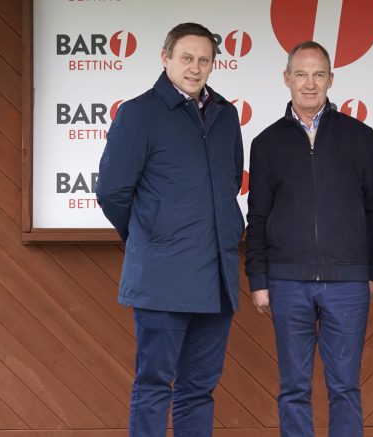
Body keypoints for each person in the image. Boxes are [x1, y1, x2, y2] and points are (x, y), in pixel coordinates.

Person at [95, 22, 244, 437]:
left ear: (214, 63)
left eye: (204, 60)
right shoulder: (140, 113)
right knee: (155, 385)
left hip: (216, 278)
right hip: (163, 277)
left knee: (199, 389)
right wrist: (150, 234)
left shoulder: (225, 114)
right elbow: (112, 191)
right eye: (186, 58)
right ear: (165, 59)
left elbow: (229, 181)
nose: (195, 68)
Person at [245, 41, 373, 437]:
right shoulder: (266, 143)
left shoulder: (360, 137)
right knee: (293, 389)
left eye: (318, 74)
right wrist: (259, 278)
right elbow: (258, 215)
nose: (309, 83)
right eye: (301, 74)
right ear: (287, 79)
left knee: (344, 388)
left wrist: (372, 271)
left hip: (348, 283)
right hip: (287, 283)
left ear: (331, 80)